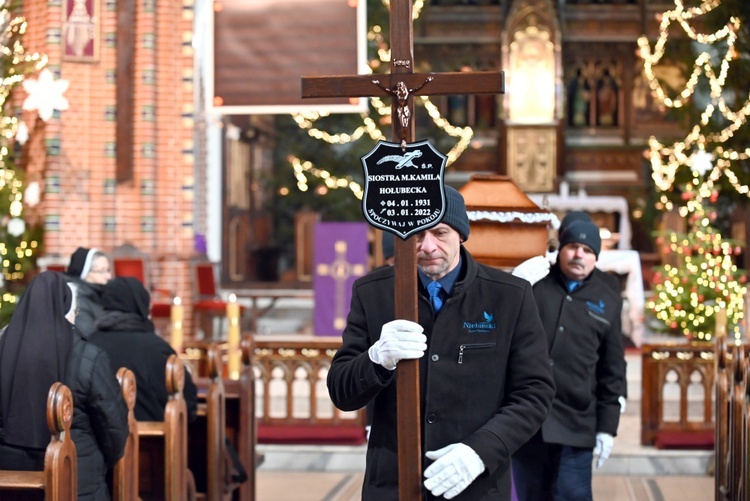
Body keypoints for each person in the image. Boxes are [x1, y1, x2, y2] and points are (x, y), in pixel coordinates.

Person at [327, 186, 555, 500]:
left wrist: (480, 451)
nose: (428, 246)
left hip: (474, 483)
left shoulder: (509, 296)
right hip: (394, 483)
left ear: (461, 234)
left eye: (440, 232)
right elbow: (342, 392)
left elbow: (534, 393)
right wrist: (376, 360)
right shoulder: (373, 293)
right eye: (417, 234)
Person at [512, 220, 626, 501]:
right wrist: (514, 287)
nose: (579, 255)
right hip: (529, 419)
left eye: (587, 250)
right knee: (529, 494)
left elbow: (613, 367)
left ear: (596, 257)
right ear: (560, 250)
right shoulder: (536, 284)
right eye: (573, 246)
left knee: (571, 494)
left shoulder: (608, 297)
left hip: (577, 421)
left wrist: (607, 428)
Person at [0, 271, 129, 499]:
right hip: (76, 481)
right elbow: (113, 429)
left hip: (8, 479)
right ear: (67, 308)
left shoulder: (3, 349)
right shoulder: (88, 356)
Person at [89, 276, 198, 423]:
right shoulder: (156, 349)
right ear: (141, 305)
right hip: (151, 444)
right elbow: (187, 401)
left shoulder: (89, 344)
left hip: (97, 444)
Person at [65, 246, 112, 338]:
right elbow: (90, 337)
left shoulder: (100, 293)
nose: (108, 276)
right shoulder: (77, 301)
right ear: (85, 273)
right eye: (102, 271)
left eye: (108, 270)